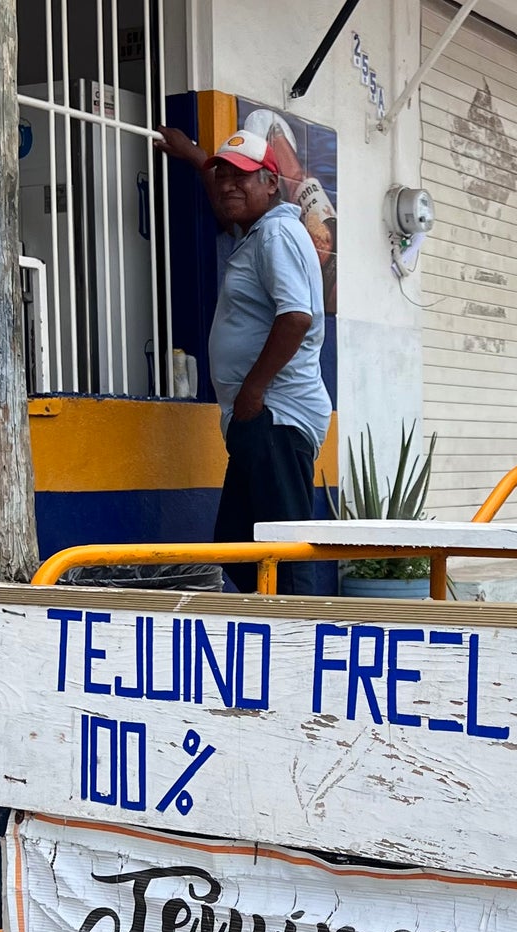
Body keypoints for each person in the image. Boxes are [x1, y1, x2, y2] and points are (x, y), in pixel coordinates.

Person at [155, 124, 330, 592]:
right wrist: (196, 158)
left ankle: (299, 650)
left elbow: (296, 317)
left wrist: (253, 393)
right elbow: (224, 202)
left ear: (271, 183)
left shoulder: (275, 235)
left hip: (276, 415)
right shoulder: (256, 231)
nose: (230, 185)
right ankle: (271, 632)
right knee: (237, 543)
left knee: (284, 554)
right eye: (223, 175)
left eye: (244, 176)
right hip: (259, 420)